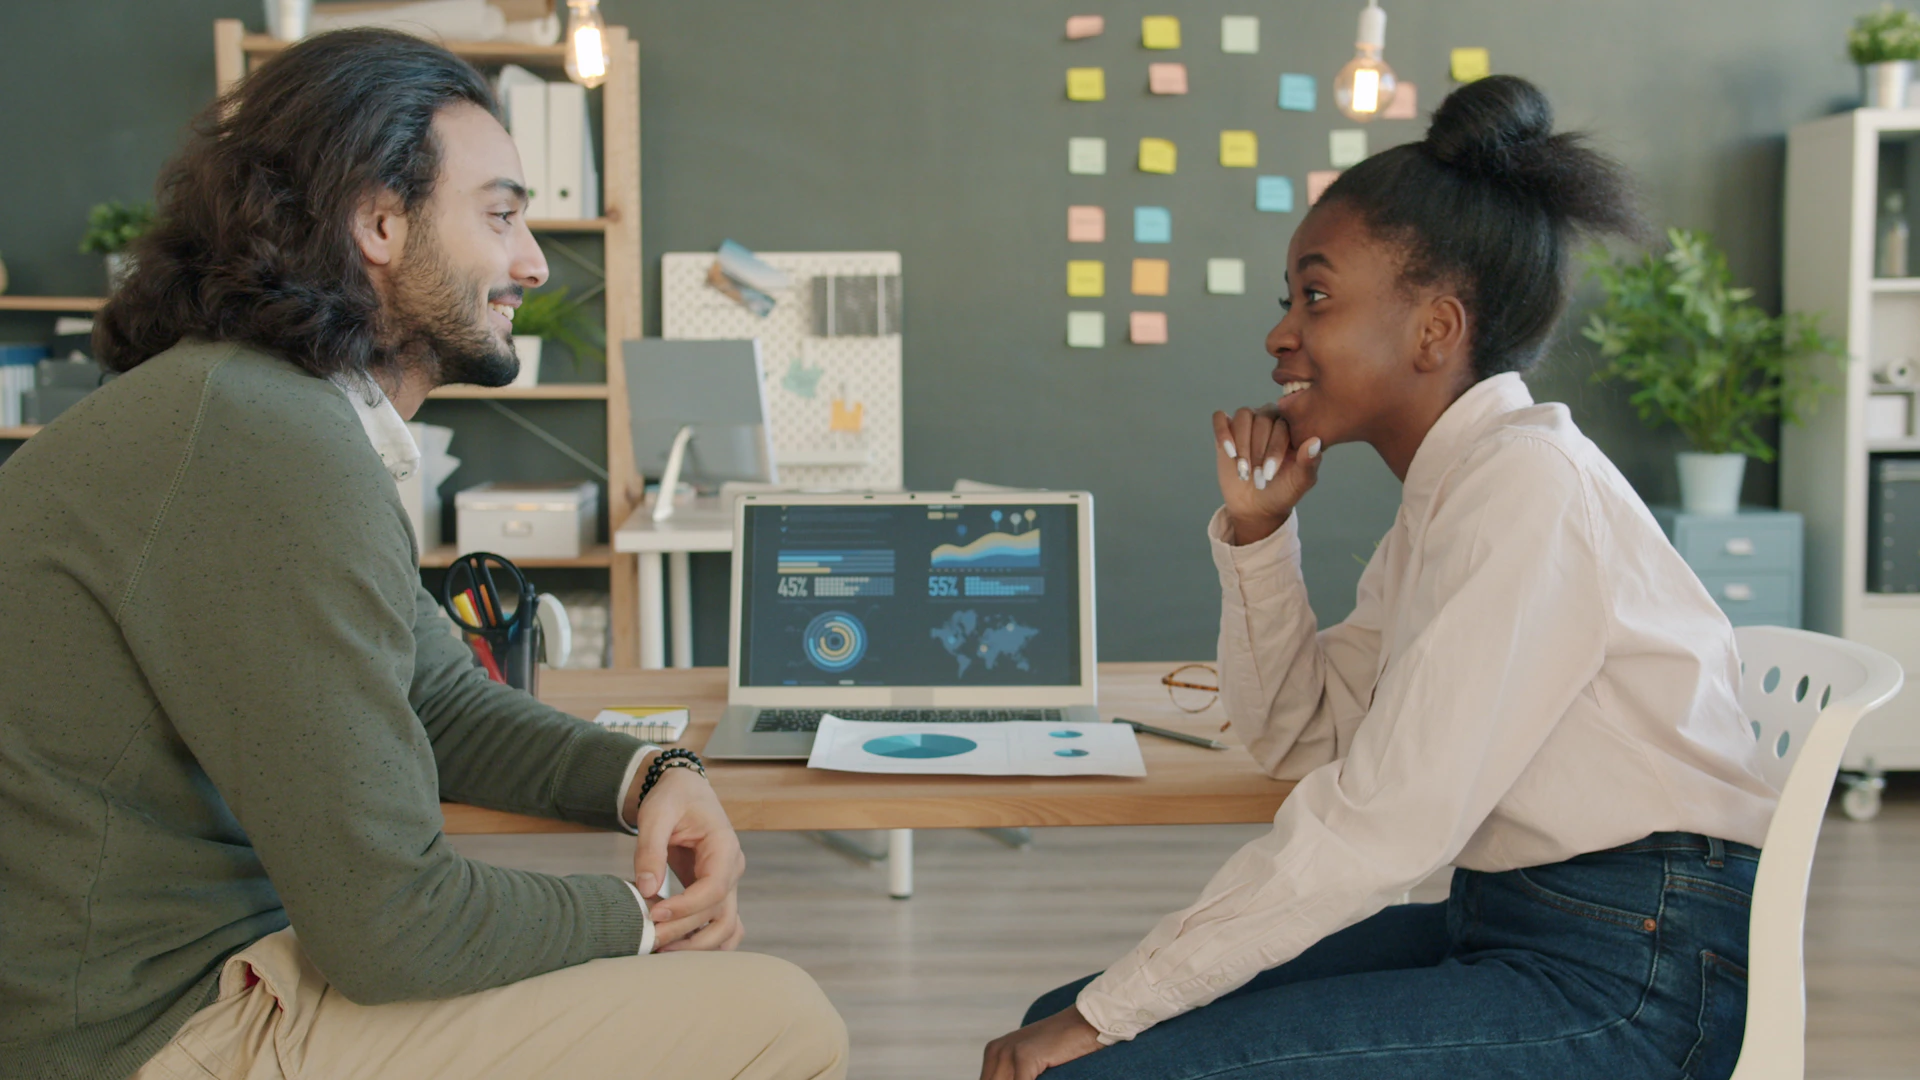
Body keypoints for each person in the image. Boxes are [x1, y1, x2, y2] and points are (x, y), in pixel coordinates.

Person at [0, 30, 845, 1080]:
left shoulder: (260, 410)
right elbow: (395, 925)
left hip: (197, 982)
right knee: (781, 1017)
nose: (533, 262)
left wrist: (648, 773)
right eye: (500, 215)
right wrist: (643, 918)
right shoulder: (265, 440)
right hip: (152, 1033)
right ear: (379, 223)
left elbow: (436, 700)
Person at [982, 75, 1779, 1080]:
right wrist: (1260, 532)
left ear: (1435, 332)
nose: (1280, 334)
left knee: (1096, 1055)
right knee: (1063, 1020)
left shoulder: (1526, 491)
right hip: (1515, 923)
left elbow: (1384, 822)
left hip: (1631, 974)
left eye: (1315, 296)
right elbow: (1298, 736)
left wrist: (1114, 1013)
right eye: (1290, 300)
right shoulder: (1456, 494)